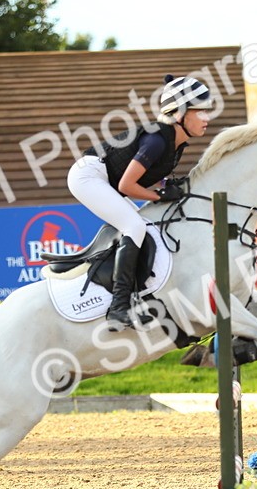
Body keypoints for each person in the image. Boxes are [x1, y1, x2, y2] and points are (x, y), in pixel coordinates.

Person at [67, 75, 214, 330]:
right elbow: (127, 186)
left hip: (103, 177)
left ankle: (134, 296)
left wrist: (165, 187)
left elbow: (148, 177)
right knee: (134, 227)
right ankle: (118, 309)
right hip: (88, 175)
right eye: (200, 111)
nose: (207, 118)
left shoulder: (175, 143)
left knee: (144, 225)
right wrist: (159, 195)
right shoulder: (157, 140)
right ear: (179, 113)